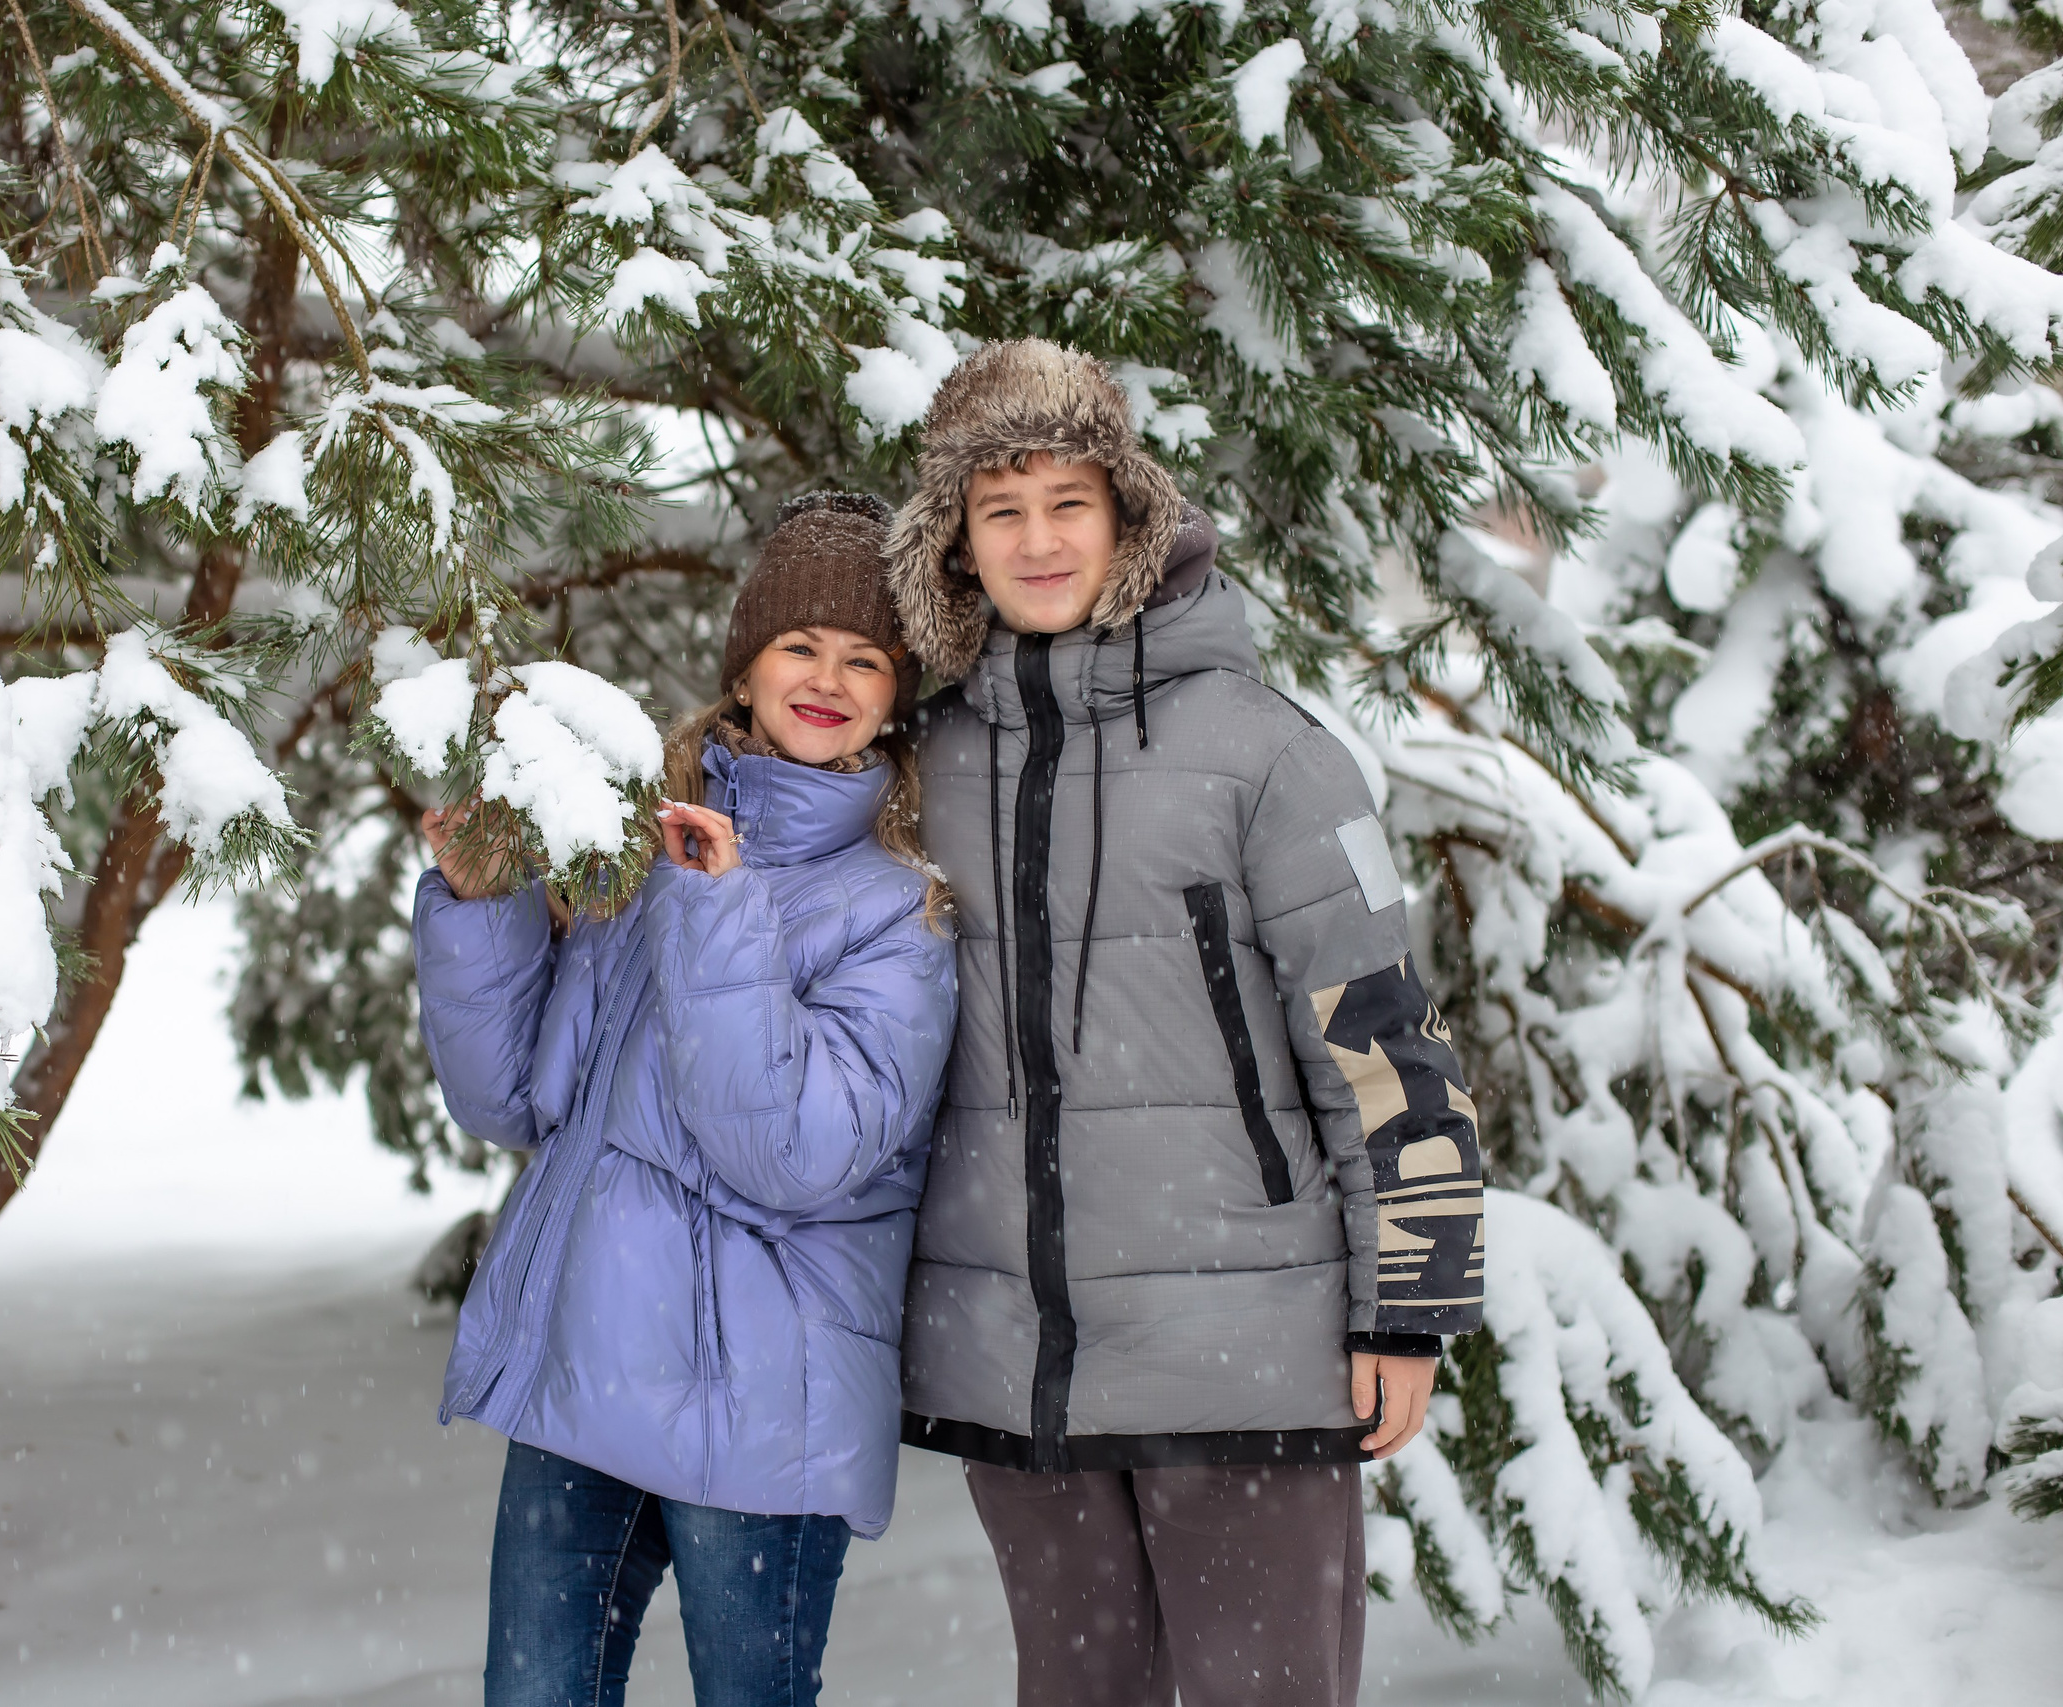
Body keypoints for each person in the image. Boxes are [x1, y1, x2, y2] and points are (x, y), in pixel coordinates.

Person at [885, 340, 1486, 1707]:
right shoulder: (926, 765)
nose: (1038, 539)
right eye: (1000, 507)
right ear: (957, 541)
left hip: (1248, 1353)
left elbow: (1387, 1040)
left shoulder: (1269, 752)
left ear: (1128, 515)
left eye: (1068, 502)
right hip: (1024, 1361)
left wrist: (1412, 1307)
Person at [412, 492, 958, 1707]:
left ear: (896, 692)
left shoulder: (897, 914)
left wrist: (718, 910)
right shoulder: (641, 847)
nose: (829, 679)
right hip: (582, 1373)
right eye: (800, 646)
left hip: (766, 1409)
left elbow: (793, 1153)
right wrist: (480, 909)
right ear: (747, 661)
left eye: (865, 659)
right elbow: (514, 1099)